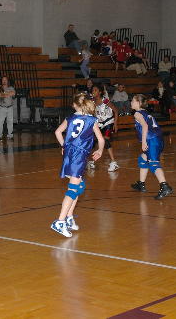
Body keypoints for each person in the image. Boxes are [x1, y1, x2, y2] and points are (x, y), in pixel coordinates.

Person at [50, 92, 105, 237]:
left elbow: (57, 132)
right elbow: (101, 139)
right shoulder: (91, 120)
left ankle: (69, 217)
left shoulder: (70, 118)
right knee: (73, 189)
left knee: (79, 186)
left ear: (74, 105)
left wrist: (64, 145)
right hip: (78, 156)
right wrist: (100, 150)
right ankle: (59, 221)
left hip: (70, 154)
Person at [130, 94, 173, 200]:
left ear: (139, 103)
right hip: (158, 138)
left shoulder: (137, 113)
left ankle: (164, 186)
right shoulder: (146, 112)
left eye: (133, 101)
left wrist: (144, 142)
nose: (131, 102)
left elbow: (145, 126)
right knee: (143, 159)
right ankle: (141, 184)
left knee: (153, 164)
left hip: (151, 140)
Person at [89, 84, 119, 172]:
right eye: (92, 90)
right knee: (97, 142)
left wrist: (115, 123)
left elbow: (116, 110)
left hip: (108, 122)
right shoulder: (92, 101)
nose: (93, 92)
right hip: (99, 123)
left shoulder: (105, 100)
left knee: (106, 140)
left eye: (95, 90)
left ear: (100, 92)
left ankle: (114, 162)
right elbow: (93, 113)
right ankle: (93, 160)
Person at [0, 76, 16, 141]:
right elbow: (0, 95)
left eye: (5, 80)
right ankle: (0, 136)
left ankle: (10, 136)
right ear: (1, 81)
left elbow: (13, 93)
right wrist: (8, 94)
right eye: (3, 80)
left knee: (10, 122)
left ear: (7, 81)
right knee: (0, 122)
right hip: (2, 108)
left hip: (10, 107)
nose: (4, 81)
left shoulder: (11, 88)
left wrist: (5, 94)